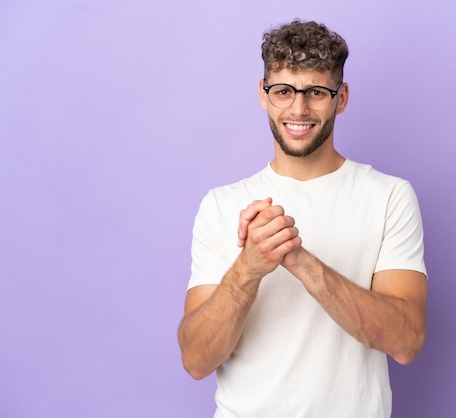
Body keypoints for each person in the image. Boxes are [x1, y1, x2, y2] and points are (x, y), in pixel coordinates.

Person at [178, 19, 428, 418]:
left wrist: (297, 258)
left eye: (315, 92)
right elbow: (196, 360)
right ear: (263, 95)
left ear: (341, 97)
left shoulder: (389, 197)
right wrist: (248, 267)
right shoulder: (221, 205)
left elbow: (406, 341)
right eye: (283, 91)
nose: (298, 108)